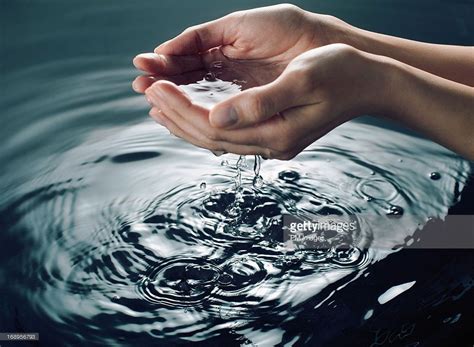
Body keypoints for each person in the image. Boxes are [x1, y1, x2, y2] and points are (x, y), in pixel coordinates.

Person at [132, 4, 474, 160]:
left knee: (335, 235)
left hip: (464, 234)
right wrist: (331, 41)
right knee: (293, 233)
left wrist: (383, 86)